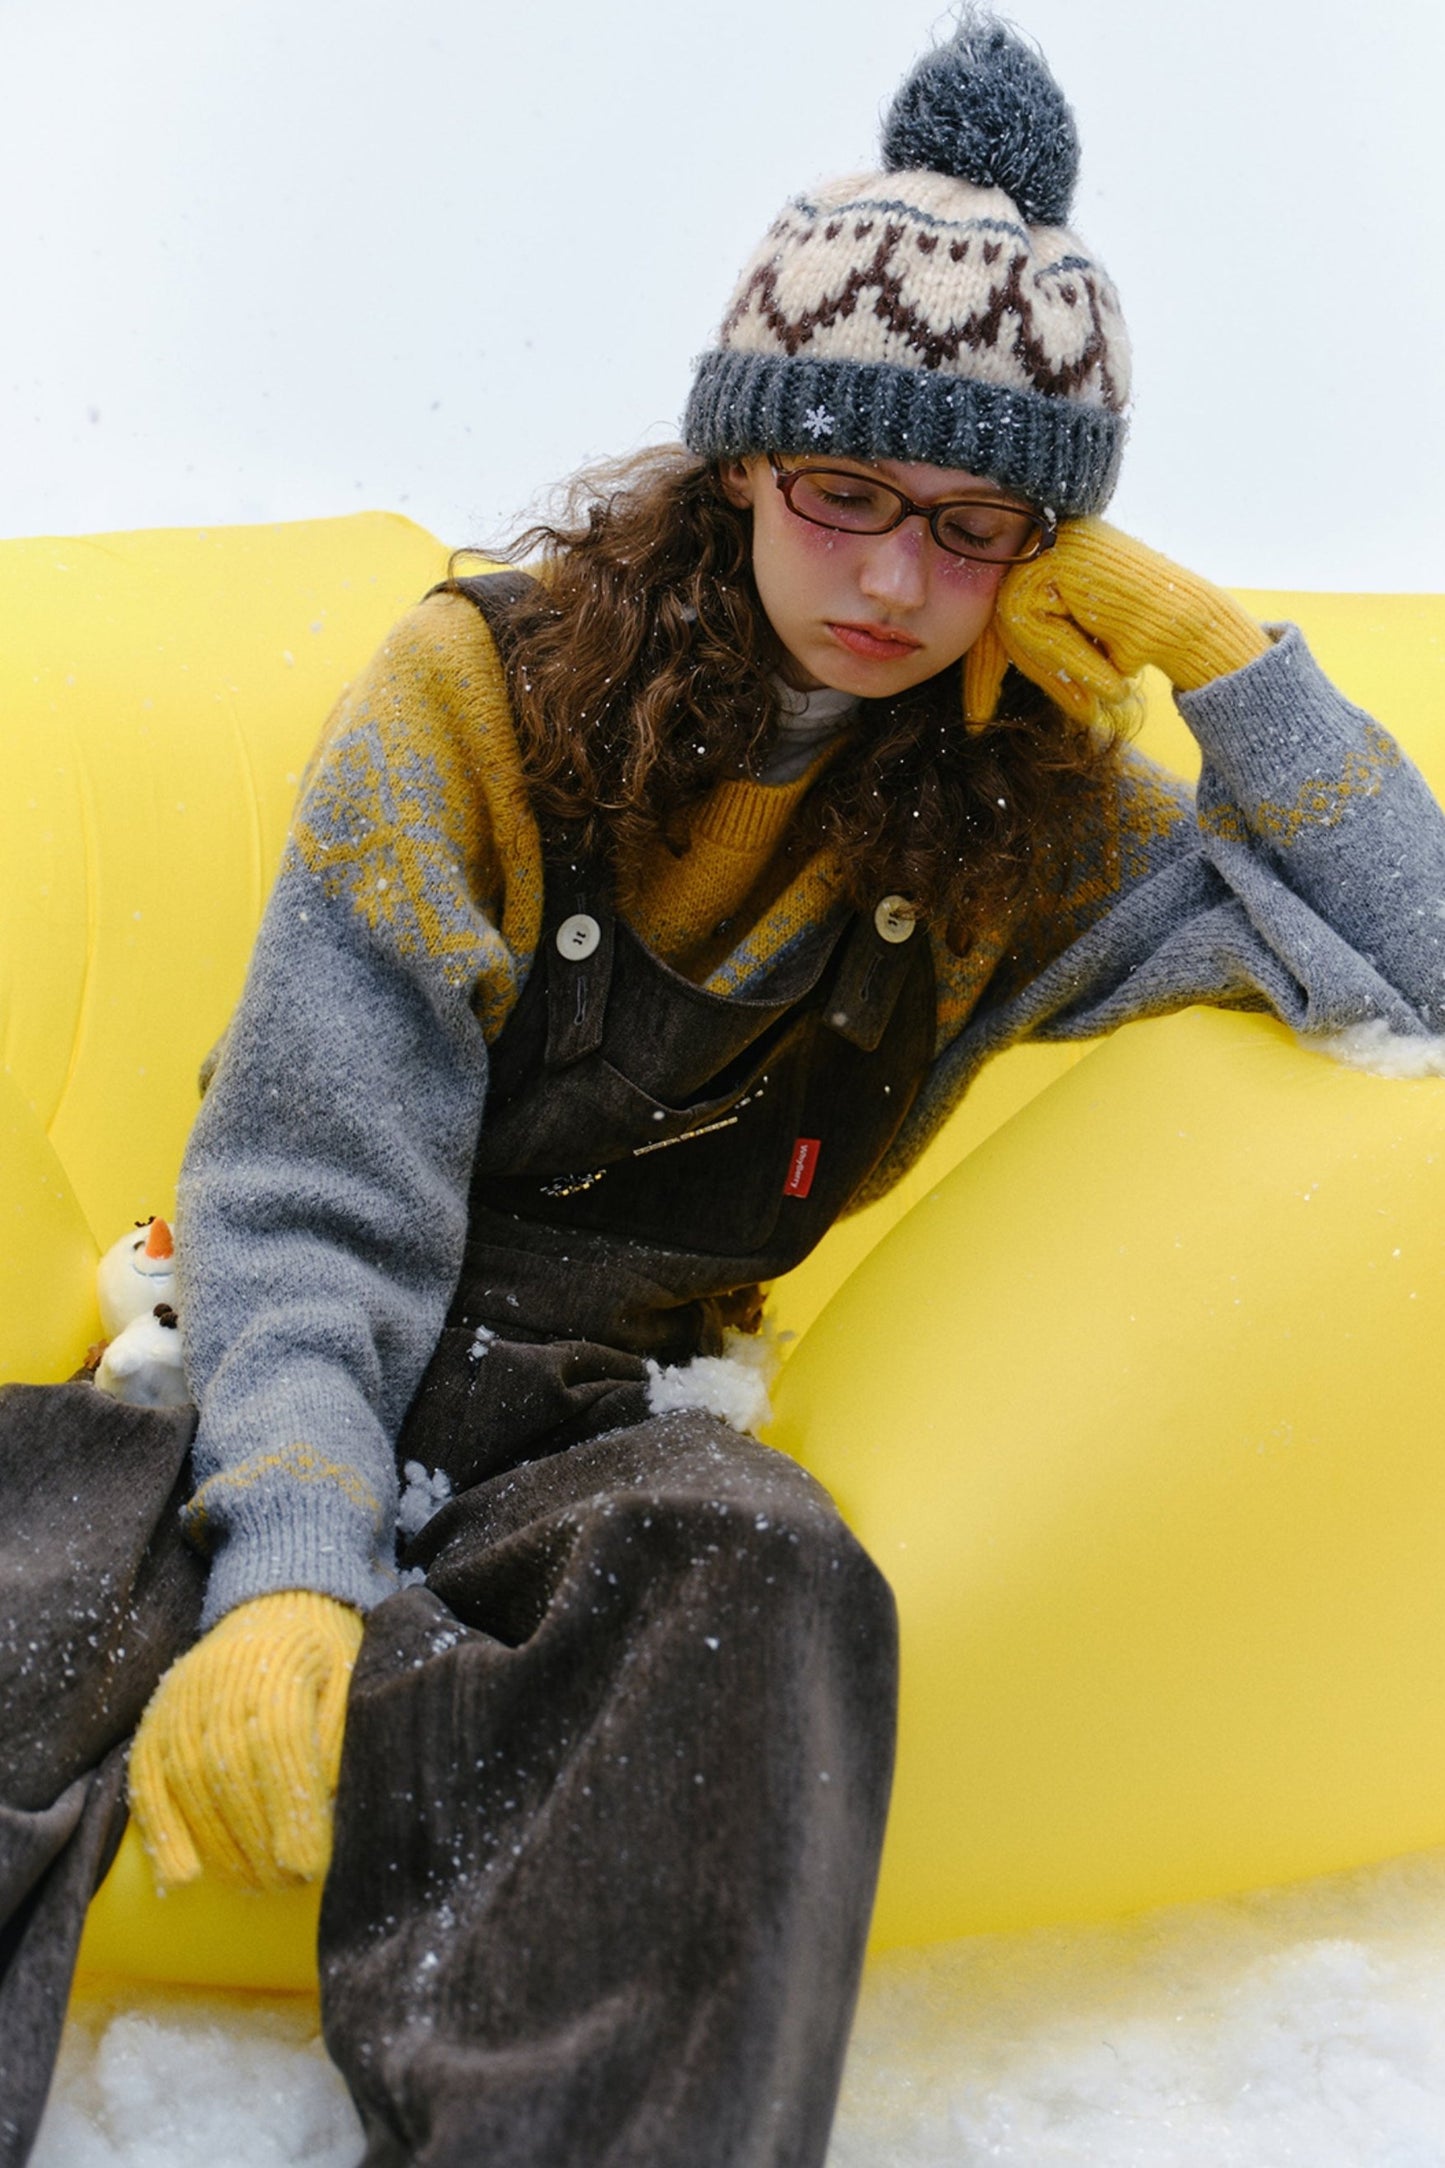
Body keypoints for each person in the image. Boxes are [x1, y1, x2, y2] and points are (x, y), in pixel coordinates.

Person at [3, 15, 1444, 2168]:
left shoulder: (1025, 833)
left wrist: (1220, 656)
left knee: (760, 1579)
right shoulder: (478, 698)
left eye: (974, 525)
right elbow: (314, 1177)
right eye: (845, 493)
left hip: (609, 1433)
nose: (893, 579)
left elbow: (1418, 959)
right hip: (275, 1356)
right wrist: (291, 1556)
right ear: (743, 466)